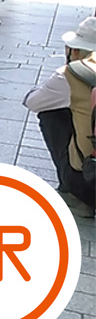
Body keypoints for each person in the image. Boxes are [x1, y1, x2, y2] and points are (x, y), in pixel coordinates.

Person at [23, 16, 96, 218]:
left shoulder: (72, 74)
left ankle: (74, 193)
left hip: (90, 180)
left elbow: (33, 102)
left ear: (74, 50)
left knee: (50, 115)